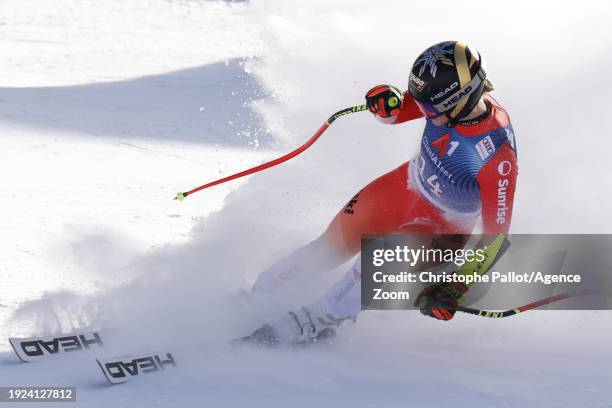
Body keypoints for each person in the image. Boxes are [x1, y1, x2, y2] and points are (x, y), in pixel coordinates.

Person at [237, 41, 518, 346]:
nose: (423, 112)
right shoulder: (444, 102)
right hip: (402, 190)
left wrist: (455, 287)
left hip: (441, 228)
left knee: (373, 262)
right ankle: (257, 296)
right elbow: (397, 114)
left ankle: (315, 322)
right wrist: (388, 105)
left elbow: (496, 238)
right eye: (421, 104)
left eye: (428, 108)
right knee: (326, 248)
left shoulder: (496, 155)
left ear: (462, 100)